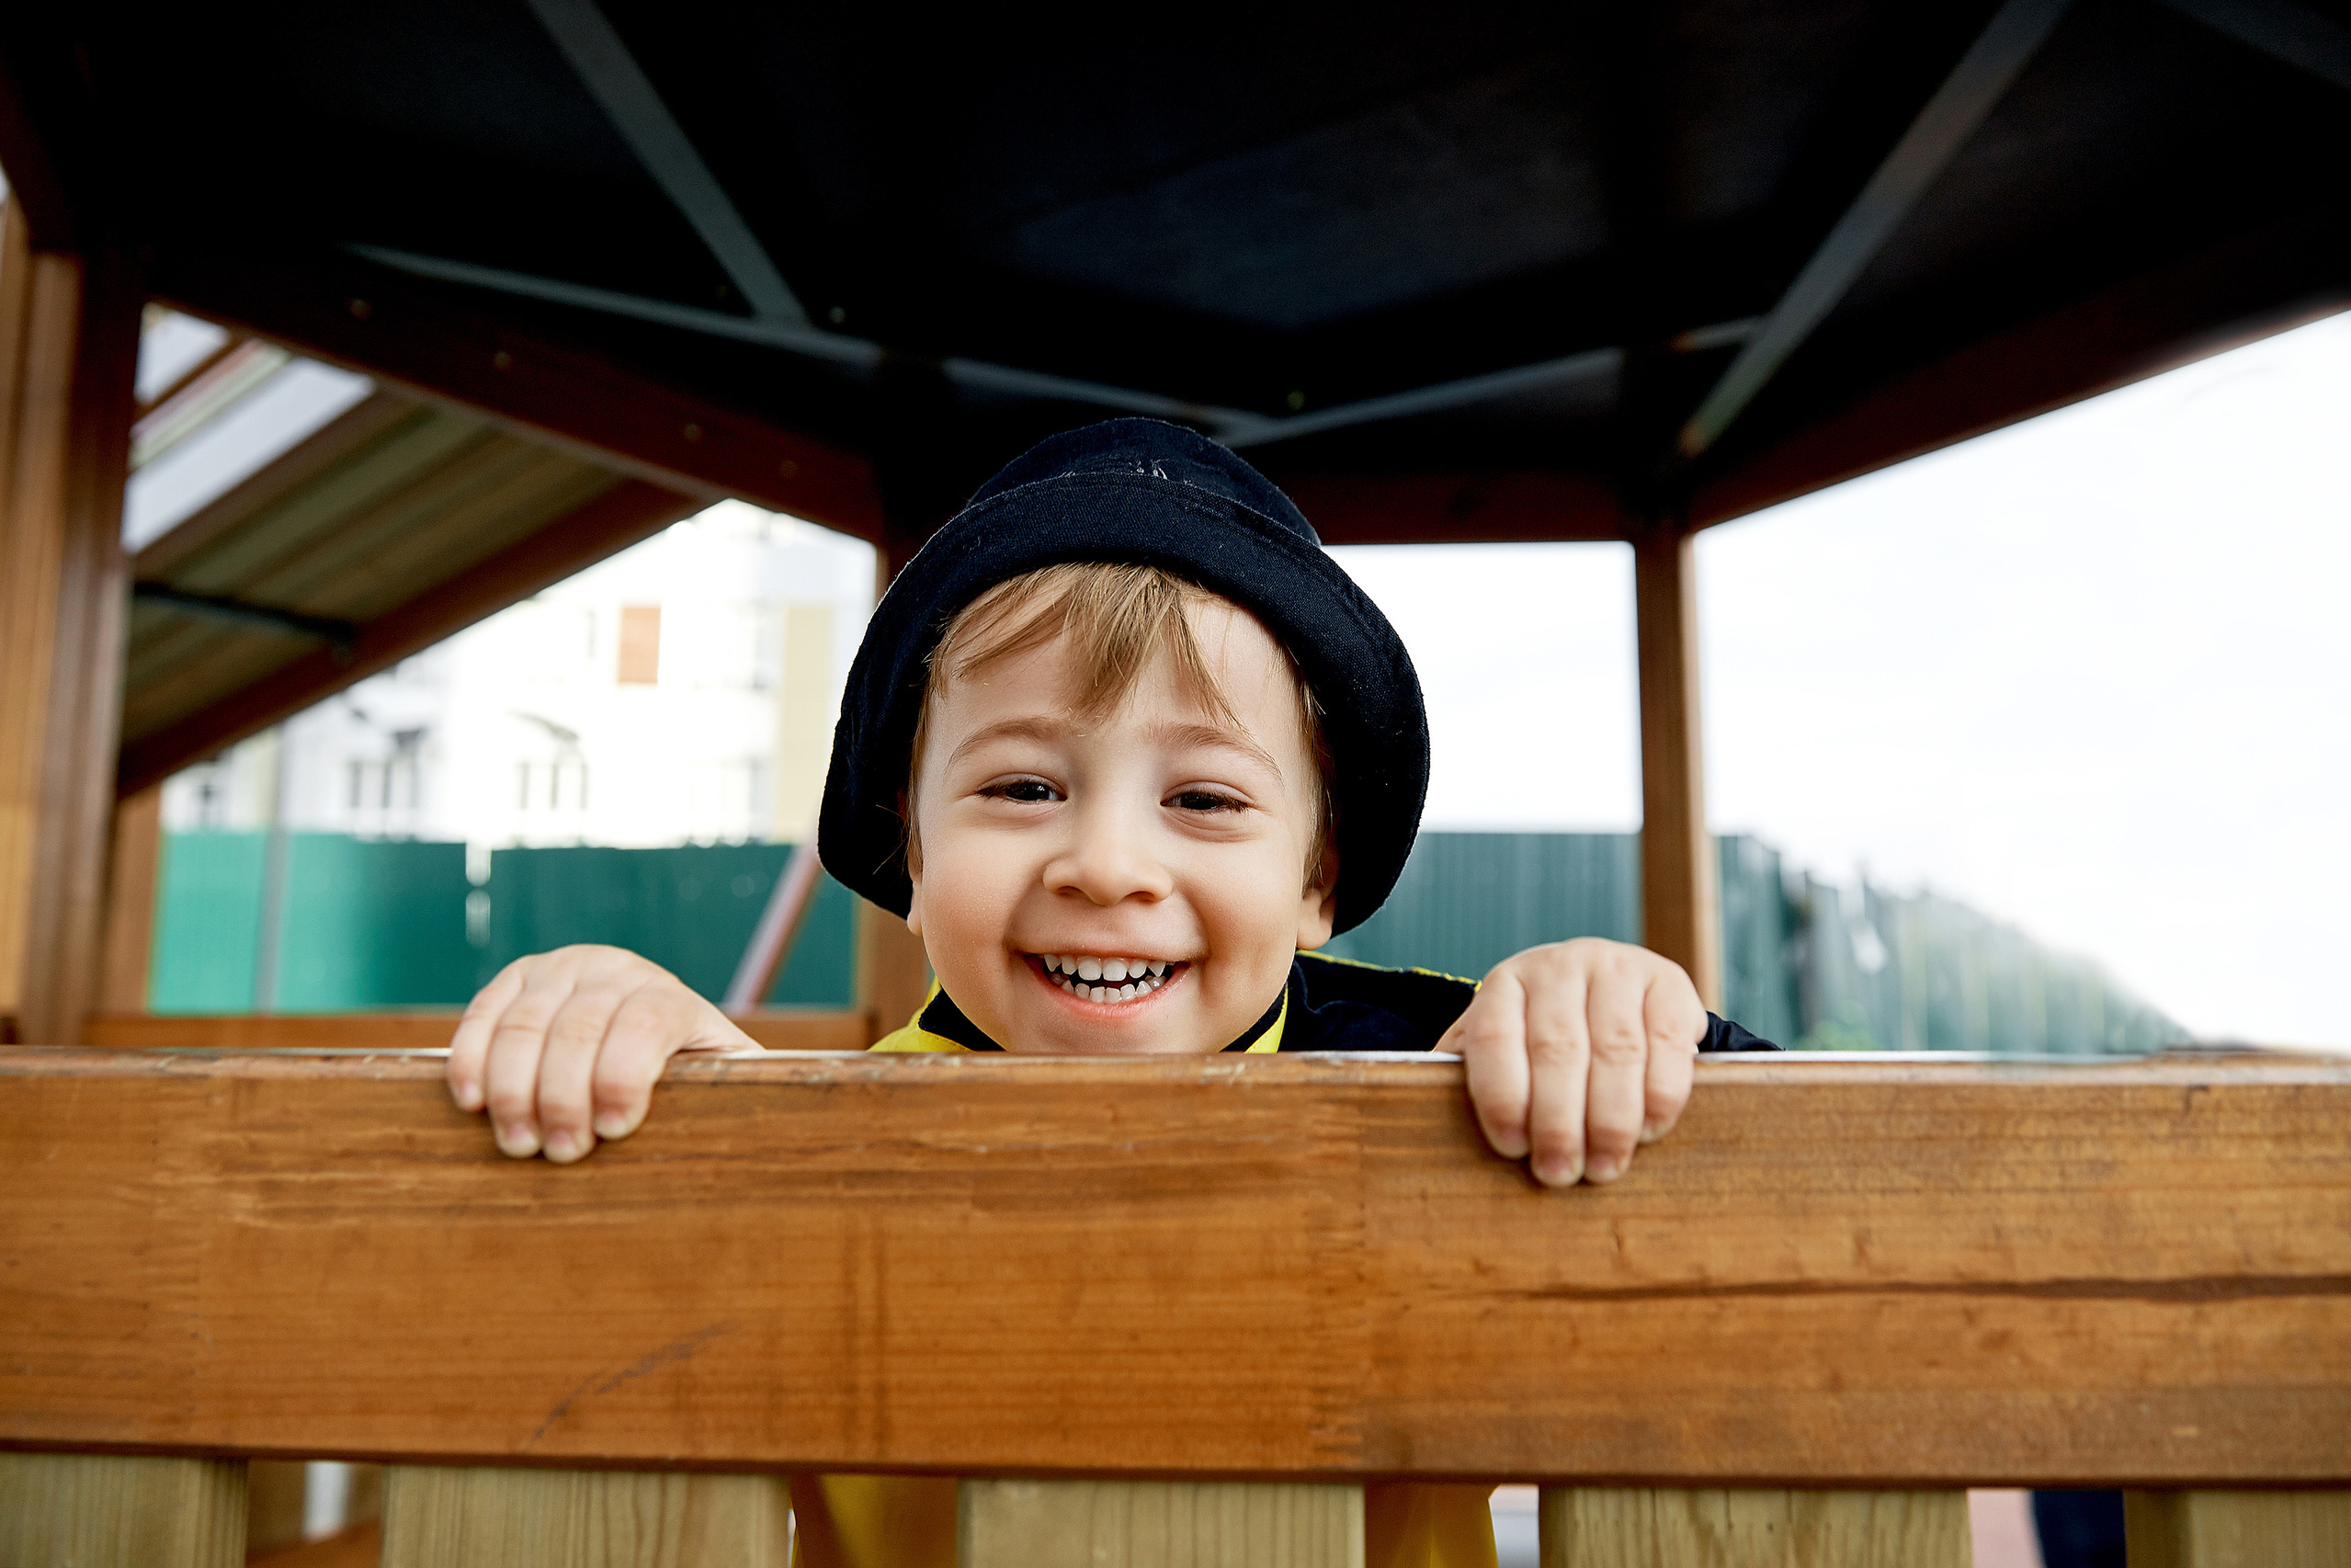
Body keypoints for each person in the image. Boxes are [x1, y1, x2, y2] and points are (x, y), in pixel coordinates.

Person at [446, 417, 1777, 1568]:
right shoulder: (790, 1137)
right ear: (914, 851)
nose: (1105, 864)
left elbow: (1803, 1186)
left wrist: (1629, 1021)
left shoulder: (1447, 1077)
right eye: (1024, 787)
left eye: (1202, 798)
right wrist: (638, 1061)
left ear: (1318, 880)